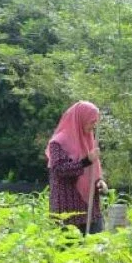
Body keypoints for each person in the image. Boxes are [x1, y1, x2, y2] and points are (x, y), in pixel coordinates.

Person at [45, 101, 108, 235]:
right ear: (81, 119)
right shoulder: (58, 142)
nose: (94, 126)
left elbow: (93, 171)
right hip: (68, 209)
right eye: (91, 121)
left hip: (90, 209)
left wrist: (100, 182)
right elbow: (59, 169)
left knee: (96, 249)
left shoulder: (88, 140)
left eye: (95, 122)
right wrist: (86, 161)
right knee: (69, 252)